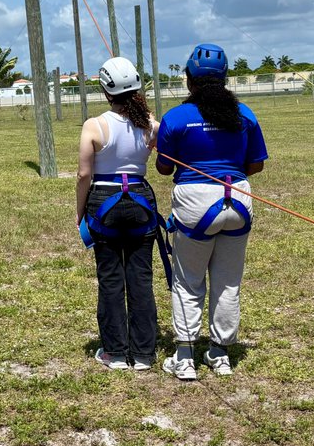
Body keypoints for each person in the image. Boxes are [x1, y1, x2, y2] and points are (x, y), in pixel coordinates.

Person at [156, 44, 268, 381]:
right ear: (224, 80)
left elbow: (163, 168)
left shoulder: (175, 118)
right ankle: (220, 355)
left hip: (195, 203)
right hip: (237, 198)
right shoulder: (245, 114)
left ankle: (185, 357)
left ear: (189, 80)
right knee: (227, 282)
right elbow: (256, 164)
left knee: (188, 281)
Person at [76, 57, 163, 371]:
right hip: (140, 201)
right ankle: (143, 354)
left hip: (103, 202)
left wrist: (79, 212)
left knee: (111, 278)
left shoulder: (95, 125)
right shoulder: (150, 125)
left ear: (105, 90)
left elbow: (84, 175)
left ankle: (114, 352)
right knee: (140, 277)